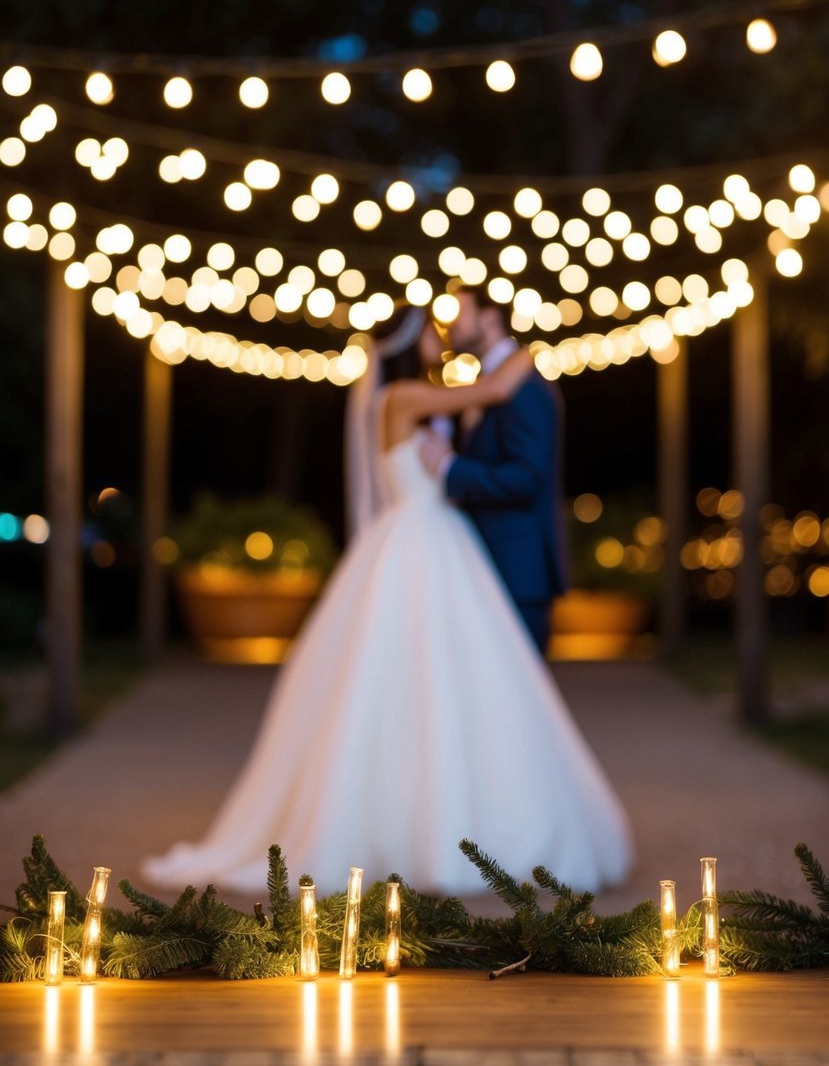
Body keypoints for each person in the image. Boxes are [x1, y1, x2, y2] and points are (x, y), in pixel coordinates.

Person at [143, 304, 633, 897]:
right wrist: (520, 356)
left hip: (439, 543)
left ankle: (453, 820)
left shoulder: (414, 394)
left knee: (453, 689)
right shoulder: (401, 398)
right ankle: (424, 828)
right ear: (408, 341)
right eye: (432, 328)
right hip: (422, 541)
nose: (443, 335)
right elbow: (499, 384)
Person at [420, 288, 568, 656]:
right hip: (489, 570)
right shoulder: (492, 384)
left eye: (460, 314)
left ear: (490, 318)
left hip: (518, 575)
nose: (451, 326)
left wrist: (451, 468)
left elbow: (527, 477)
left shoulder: (525, 388)